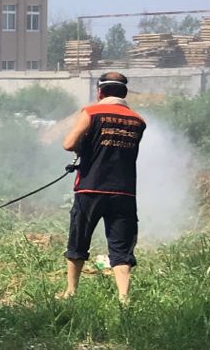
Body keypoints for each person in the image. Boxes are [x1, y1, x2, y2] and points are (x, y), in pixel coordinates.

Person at [59, 71, 147, 305]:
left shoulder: (91, 112)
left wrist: (83, 145)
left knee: (79, 240)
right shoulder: (138, 121)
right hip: (124, 191)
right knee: (121, 246)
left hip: (91, 188)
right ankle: (124, 298)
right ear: (124, 93)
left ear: (100, 92)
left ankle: (71, 292)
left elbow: (68, 143)